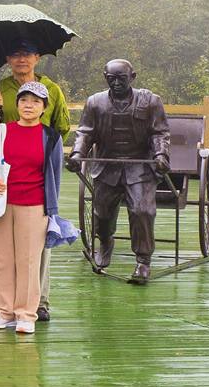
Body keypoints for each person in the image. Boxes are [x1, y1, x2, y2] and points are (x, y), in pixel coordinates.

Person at [0, 39, 69, 323]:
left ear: (37, 58)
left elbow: (62, 126)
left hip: (35, 184)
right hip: (4, 187)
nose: (21, 59)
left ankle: (37, 306)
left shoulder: (52, 89)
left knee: (35, 254)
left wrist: (41, 141)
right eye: (15, 54)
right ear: (7, 59)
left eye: (27, 54)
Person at [67, 59, 170, 284]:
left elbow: (159, 133)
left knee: (142, 211)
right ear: (105, 77)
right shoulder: (95, 102)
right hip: (107, 167)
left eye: (121, 78)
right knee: (102, 213)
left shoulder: (150, 101)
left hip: (140, 167)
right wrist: (77, 154)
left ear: (132, 77)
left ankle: (143, 261)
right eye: (111, 79)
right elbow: (85, 133)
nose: (116, 83)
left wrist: (161, 155)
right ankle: (105, 242)